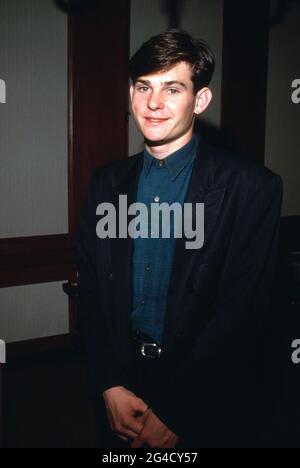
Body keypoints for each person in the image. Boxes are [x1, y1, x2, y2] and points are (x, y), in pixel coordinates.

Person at [76, 29, 283, 448]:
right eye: (143, 87)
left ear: (200, 100)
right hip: (122, 382)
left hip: (204, 390)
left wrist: (173, 412)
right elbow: (92, 291)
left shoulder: (252, 187)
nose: (154, 104)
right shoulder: (105, 184)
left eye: (172, 88)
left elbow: (241, 315)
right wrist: (108, 384)